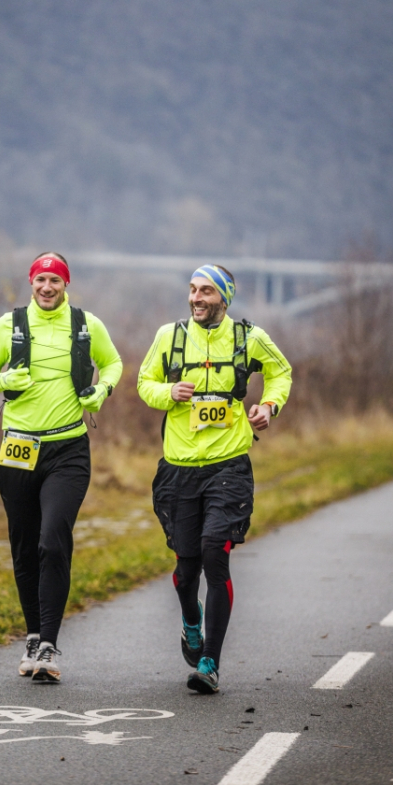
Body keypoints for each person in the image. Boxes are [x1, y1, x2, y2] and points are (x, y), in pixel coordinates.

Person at [137, 264, 292, 694]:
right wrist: (168, 393)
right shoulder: (169, 336)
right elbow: (143, 382)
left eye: (206, 291)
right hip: (179, 469)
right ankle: (191, 621)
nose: (196, 298)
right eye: (192, 290)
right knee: (187, 571)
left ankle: (210, 663)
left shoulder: (248, 338)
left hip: (228, 466)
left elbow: (282, 372)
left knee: (214, 553)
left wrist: (269, 405)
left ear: (224, 297)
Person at [0, 252, 122, 683]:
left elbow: (113, 363)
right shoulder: (10, 325)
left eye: (55, 280)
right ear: (31, 283)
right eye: (41, 280)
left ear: (65, 284)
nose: (47, 287)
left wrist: (101, 391)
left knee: (53, 540)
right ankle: (33, 637)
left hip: (68, 450)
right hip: (18, 449)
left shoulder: (86, 325)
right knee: (24, 547)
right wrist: (3, 381)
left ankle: (50, 647)